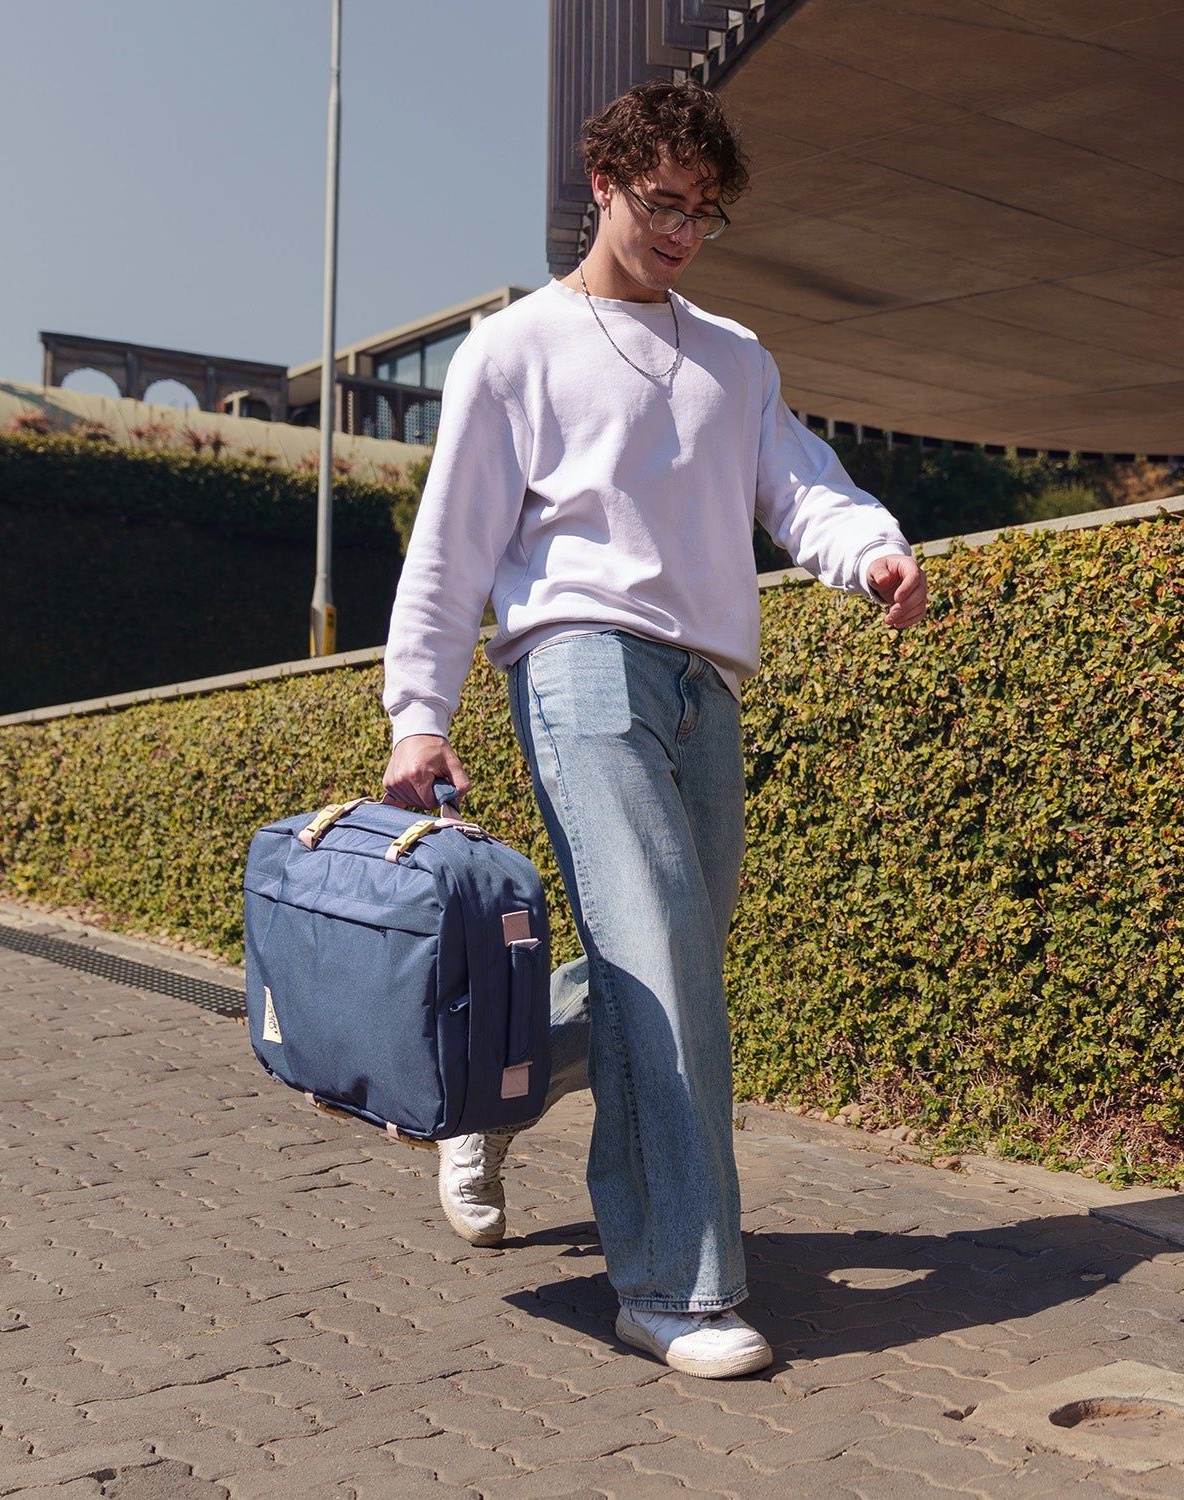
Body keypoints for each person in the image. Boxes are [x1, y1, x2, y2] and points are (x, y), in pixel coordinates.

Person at [381, 79, 927, 1380]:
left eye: (704, 213)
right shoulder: (514, 349)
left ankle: (485, 1090)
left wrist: (871, 553)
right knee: (662, 956)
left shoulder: (733, 357)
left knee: (670, 952)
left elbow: (802, 486)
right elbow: (451, 546)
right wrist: (418, 716)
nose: (683, 231)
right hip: (579, 666)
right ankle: (676, 1286)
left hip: (705, 688)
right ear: (603, 183)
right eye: (664, 203)